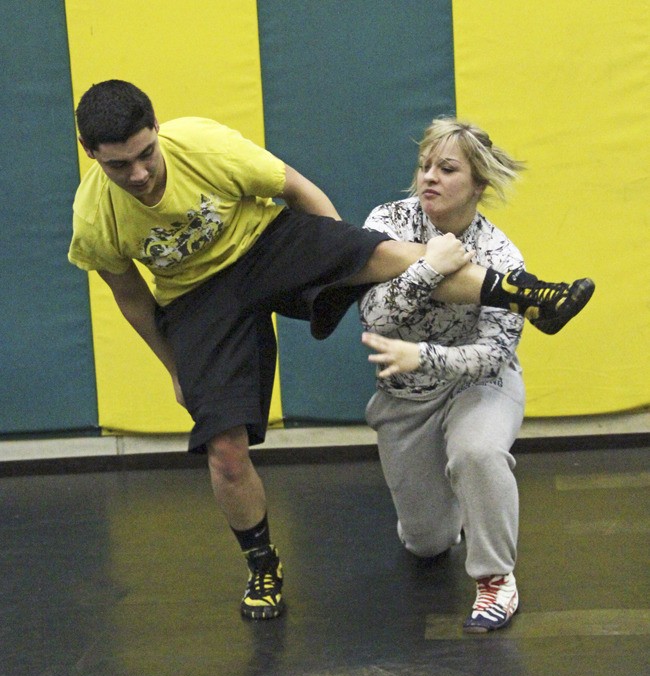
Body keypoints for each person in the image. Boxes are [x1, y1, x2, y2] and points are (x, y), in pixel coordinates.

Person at [68, 81, 594, 622]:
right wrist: (176, 368)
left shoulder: (201, 145)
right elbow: (131, 296)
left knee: (381, 260)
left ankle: (524, 291)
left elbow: (297, 190)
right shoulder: (95, 218)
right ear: (92, 155)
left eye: (144, 154)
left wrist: (334, 255)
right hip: (198, 300)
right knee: (227, 451)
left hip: (266, 248)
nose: (138, 173)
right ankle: (262, 566)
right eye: (118, 165)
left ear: (157, 130)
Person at [360, 117, 591, 633]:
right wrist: (429, 265)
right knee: (426, 543)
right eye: (424, 166)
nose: (429, 178)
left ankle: (495, 580)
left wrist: (426, 356)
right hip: (405, 398)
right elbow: (374, 316)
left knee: (478, 452)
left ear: (479, 184)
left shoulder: (501, 256)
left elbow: (493, 353)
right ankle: (449, 521)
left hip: (479, 384)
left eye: (446, 169)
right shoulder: (389, 223)